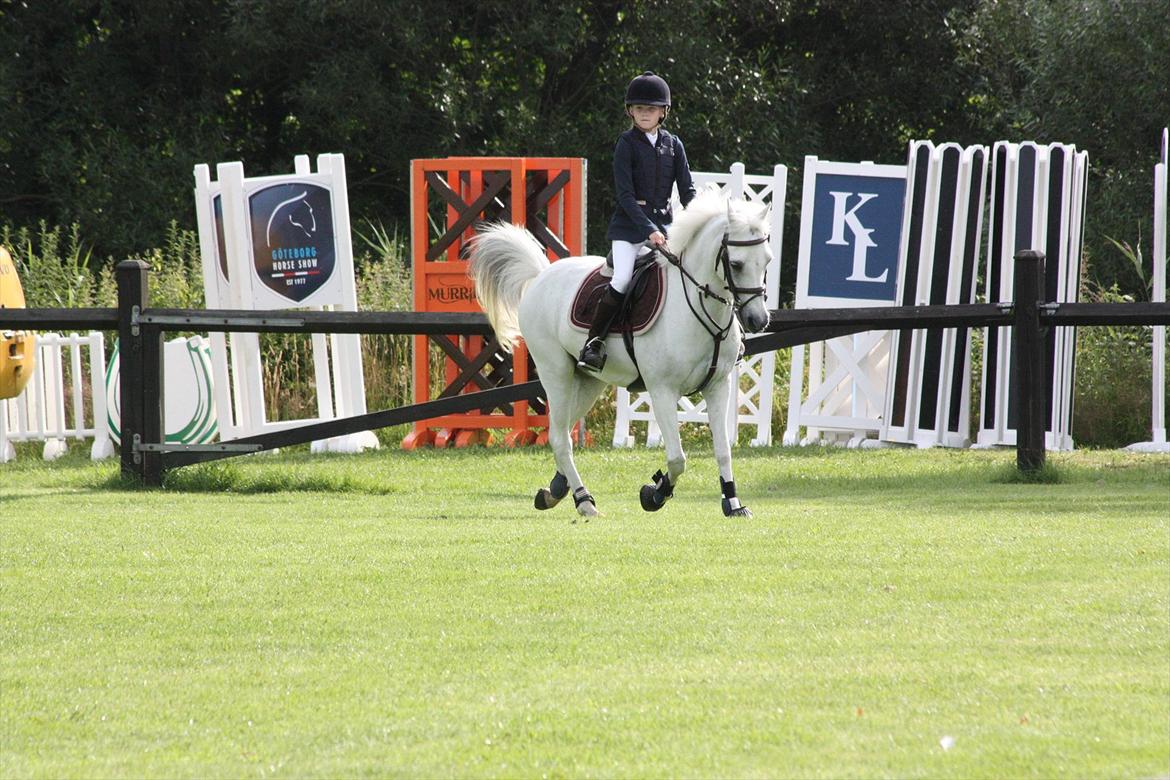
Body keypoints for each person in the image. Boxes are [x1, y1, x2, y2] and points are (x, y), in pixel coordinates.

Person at [577, 71, 697, 371]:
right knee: (621, 279)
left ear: (663, 112)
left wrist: (699, 222)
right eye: (640, 108)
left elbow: (687, 191)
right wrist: (650, 231)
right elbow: (626, 196)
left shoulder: (674, 145)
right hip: (629, 229)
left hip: (666, 227)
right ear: (630, 111)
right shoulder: (626, 144)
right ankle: (594, 343)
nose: (645, 113)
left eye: (652, 108)